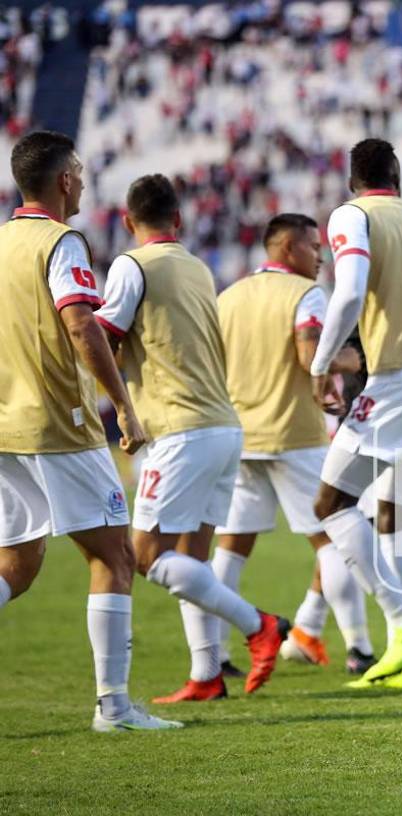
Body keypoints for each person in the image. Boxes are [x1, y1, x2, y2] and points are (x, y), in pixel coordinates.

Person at [0, 130, 179, 731]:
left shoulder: (1, 243)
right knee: (114, 555)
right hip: (57, 423)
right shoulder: (61, 242)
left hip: (3, 427)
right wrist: (124, 407)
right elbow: (80, 324)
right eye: (77, 171)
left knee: (16, 567)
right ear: (65, 181)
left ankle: (116, 705)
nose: (80, 180)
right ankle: (115, 706)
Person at [96, 173, 288, 702]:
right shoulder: (198, 268)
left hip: (179, 429)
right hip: (223, 426)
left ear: (129, 221)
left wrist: (117, 407)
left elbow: (101, 334)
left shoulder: (132, 265)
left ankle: (259, 625)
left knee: (145, 555)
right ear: (179, 220)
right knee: (192, 558)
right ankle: (206, 674)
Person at [309, 138, 402, 689]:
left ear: (353, 179)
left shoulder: (351, 215)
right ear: (396, 174)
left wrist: (323, 364)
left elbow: (347, 292)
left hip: (395, 377)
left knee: (331, 502)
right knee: (398, 507)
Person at [211, 214, 374, 677]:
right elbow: (309, 358)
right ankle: (359, 648)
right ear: (285, 248)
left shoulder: (230, 296)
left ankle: (215, 655)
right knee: (331, 540)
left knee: (230, 549)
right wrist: (348, 358)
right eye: (311, 245)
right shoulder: (307, 295)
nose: (320, 255)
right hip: (295, 434)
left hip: (241, 434)